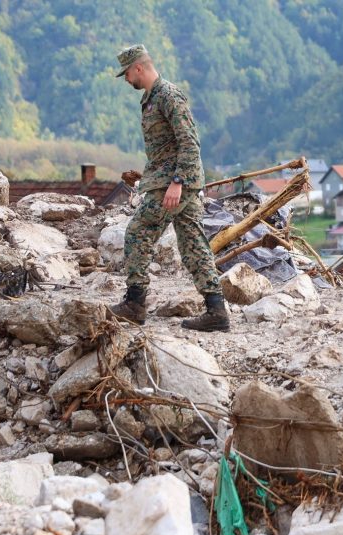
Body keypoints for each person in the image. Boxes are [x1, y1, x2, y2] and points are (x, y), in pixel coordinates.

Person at [109, 44, 229, 332]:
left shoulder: (168, 95)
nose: (126, 80)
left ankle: (135, 303)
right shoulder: (152, 98)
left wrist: (177, 183)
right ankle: (217, 311)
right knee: (193, 244)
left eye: (126, 73)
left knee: (138, 232)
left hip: (174, 184)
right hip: (172, 181)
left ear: (138, 67)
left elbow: (189, 142)